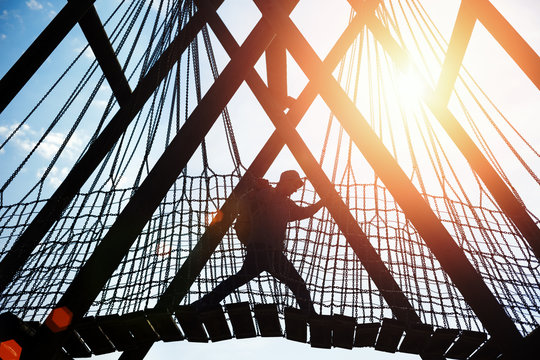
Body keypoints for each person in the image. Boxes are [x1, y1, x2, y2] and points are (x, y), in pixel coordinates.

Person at [192, 170, 324, 315]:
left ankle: (203, 303)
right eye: (295, 185)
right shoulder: (267, 193)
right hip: (262, 248)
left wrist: (322, 202)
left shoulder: (286, 204)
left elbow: (304, 212)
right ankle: (311, 315)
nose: (295, 189)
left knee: (240, 279)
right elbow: (244, 203)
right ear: (286, 181)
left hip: (269, 251)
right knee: (297, 284)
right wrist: (256, 189)